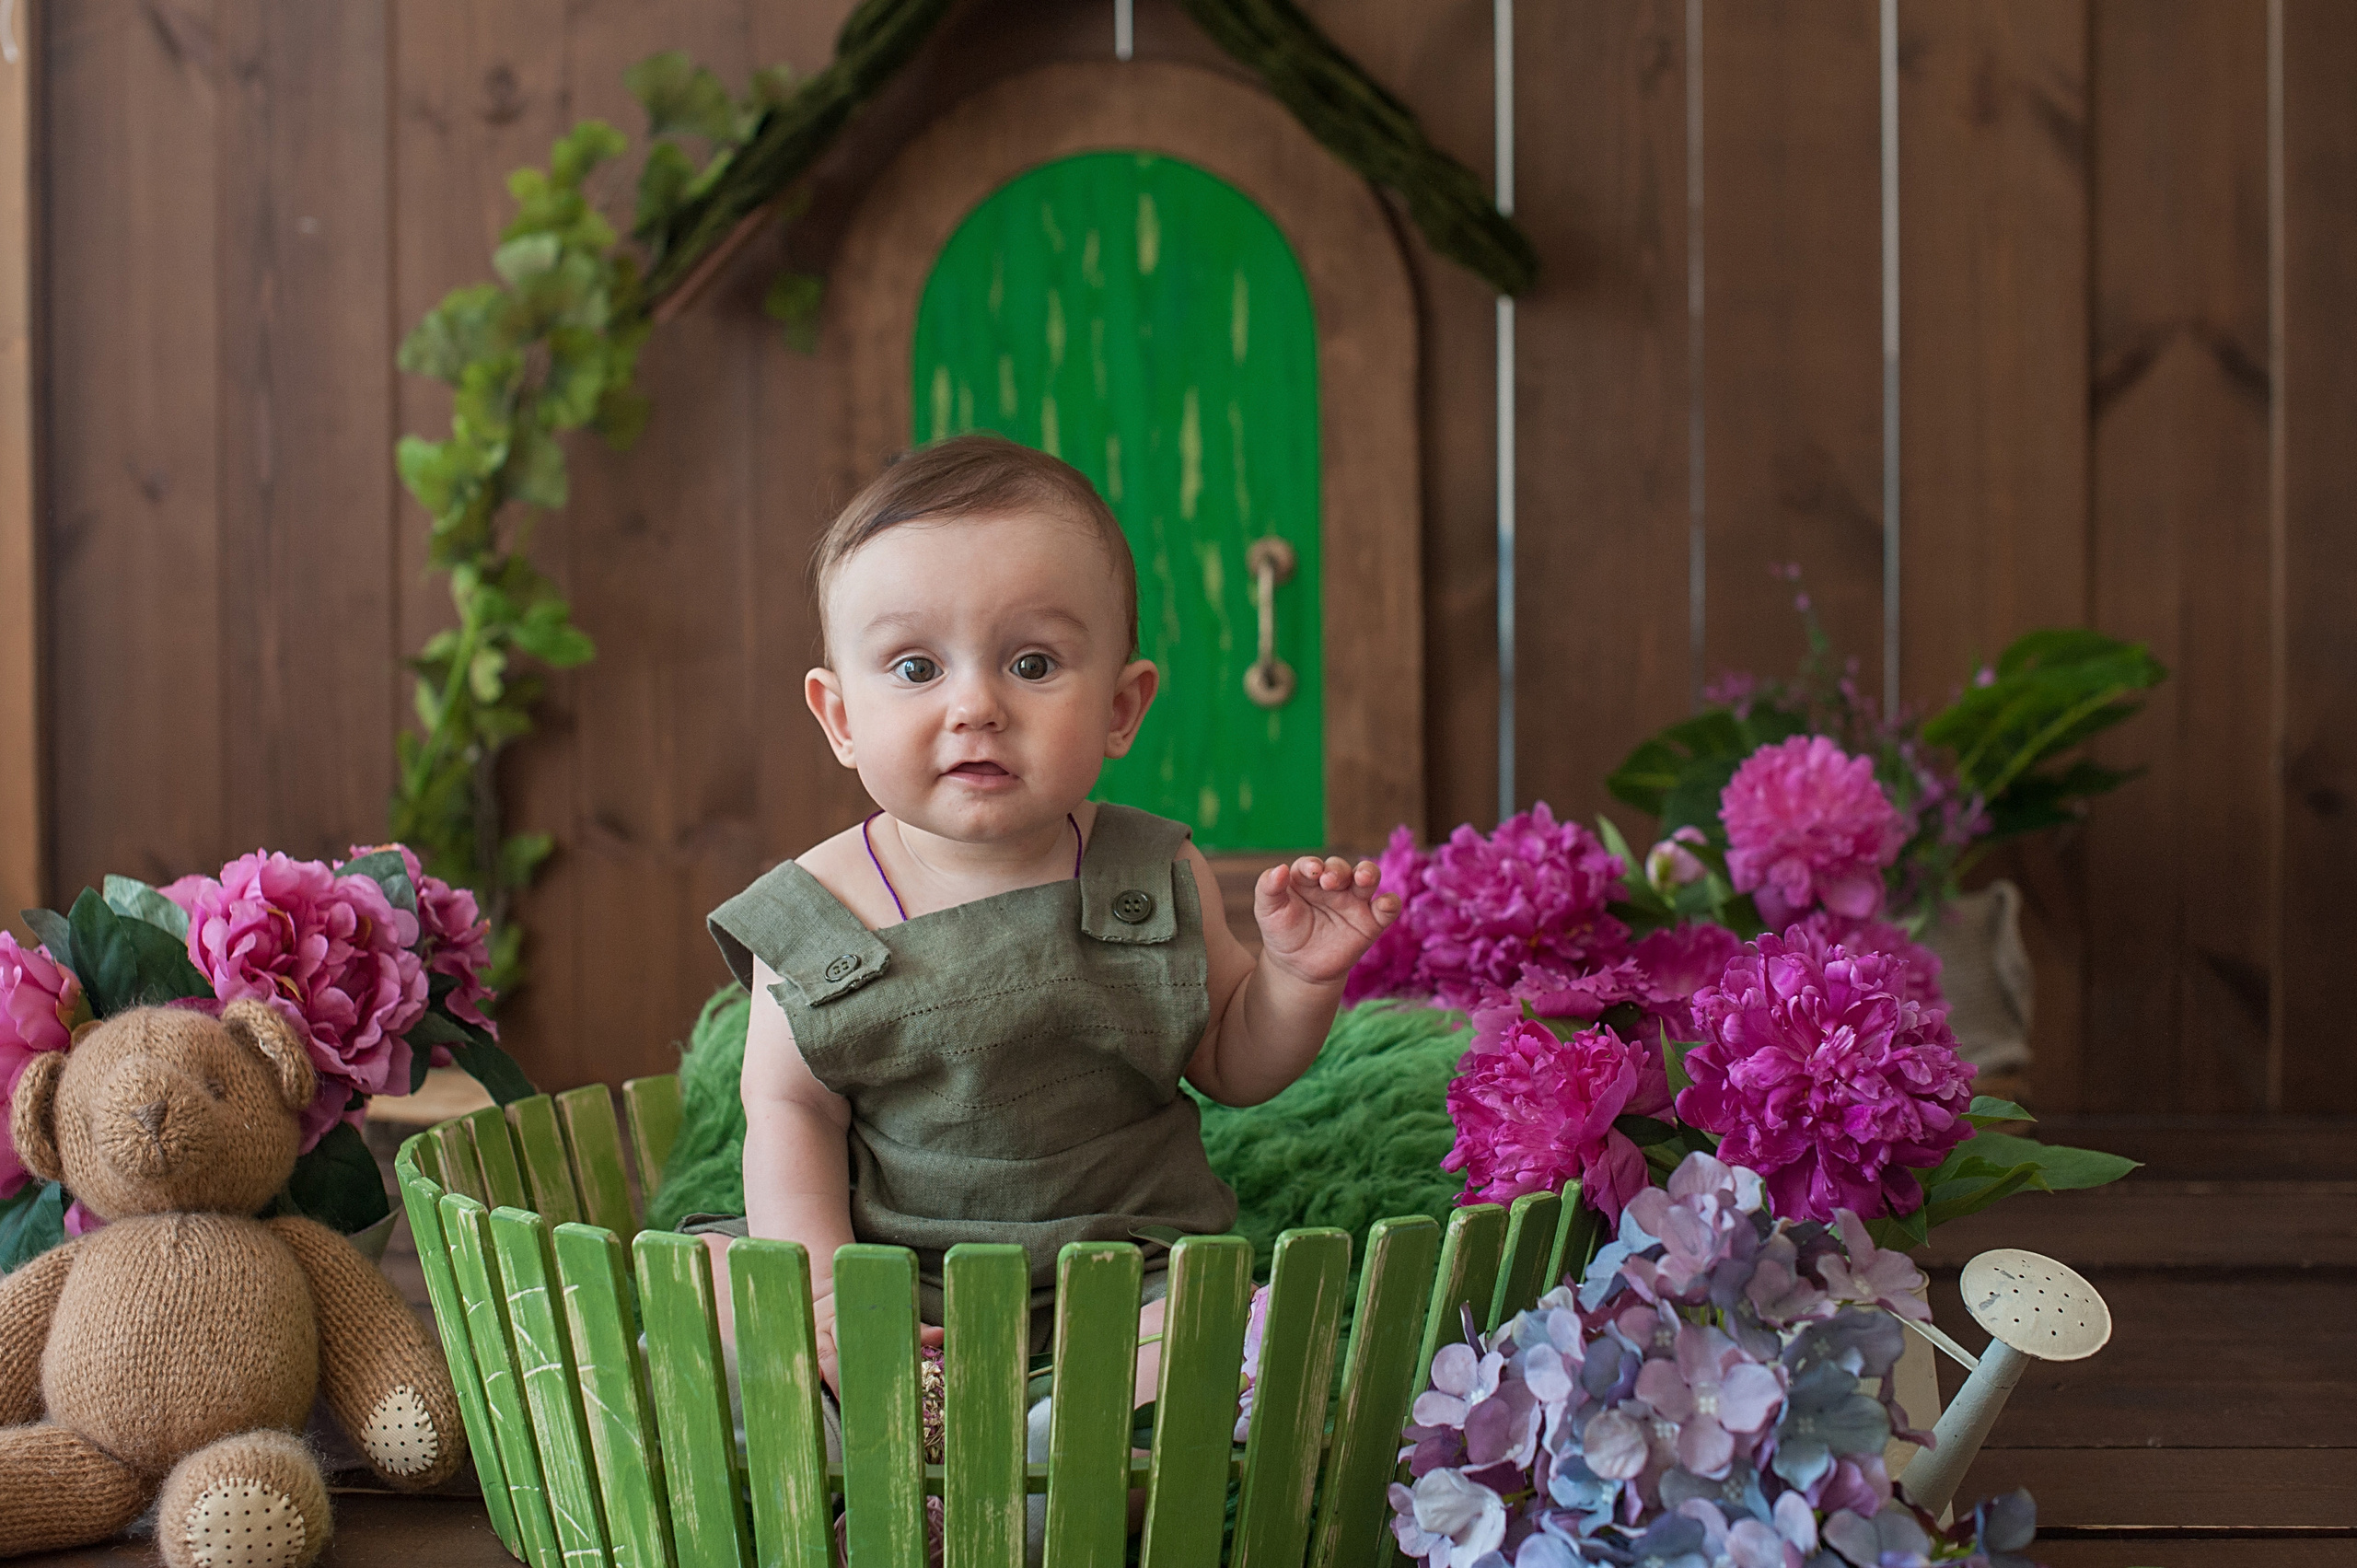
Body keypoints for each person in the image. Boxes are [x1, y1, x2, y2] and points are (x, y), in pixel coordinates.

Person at [701, 433, 1397, 1418]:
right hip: (901, 1285)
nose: (975, 704)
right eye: (913, 665)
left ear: (1120, 706)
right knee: (714, 1283)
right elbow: (791, 1113)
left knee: (1237, 1327)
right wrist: (824, 1291)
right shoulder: (817, 907)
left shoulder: (1149, 873)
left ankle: (1055, 1454)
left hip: (1123, 1277)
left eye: (1032, 662)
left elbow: (1234, 1062)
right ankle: (889, 1433)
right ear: (839, 713)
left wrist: (1297, 977)